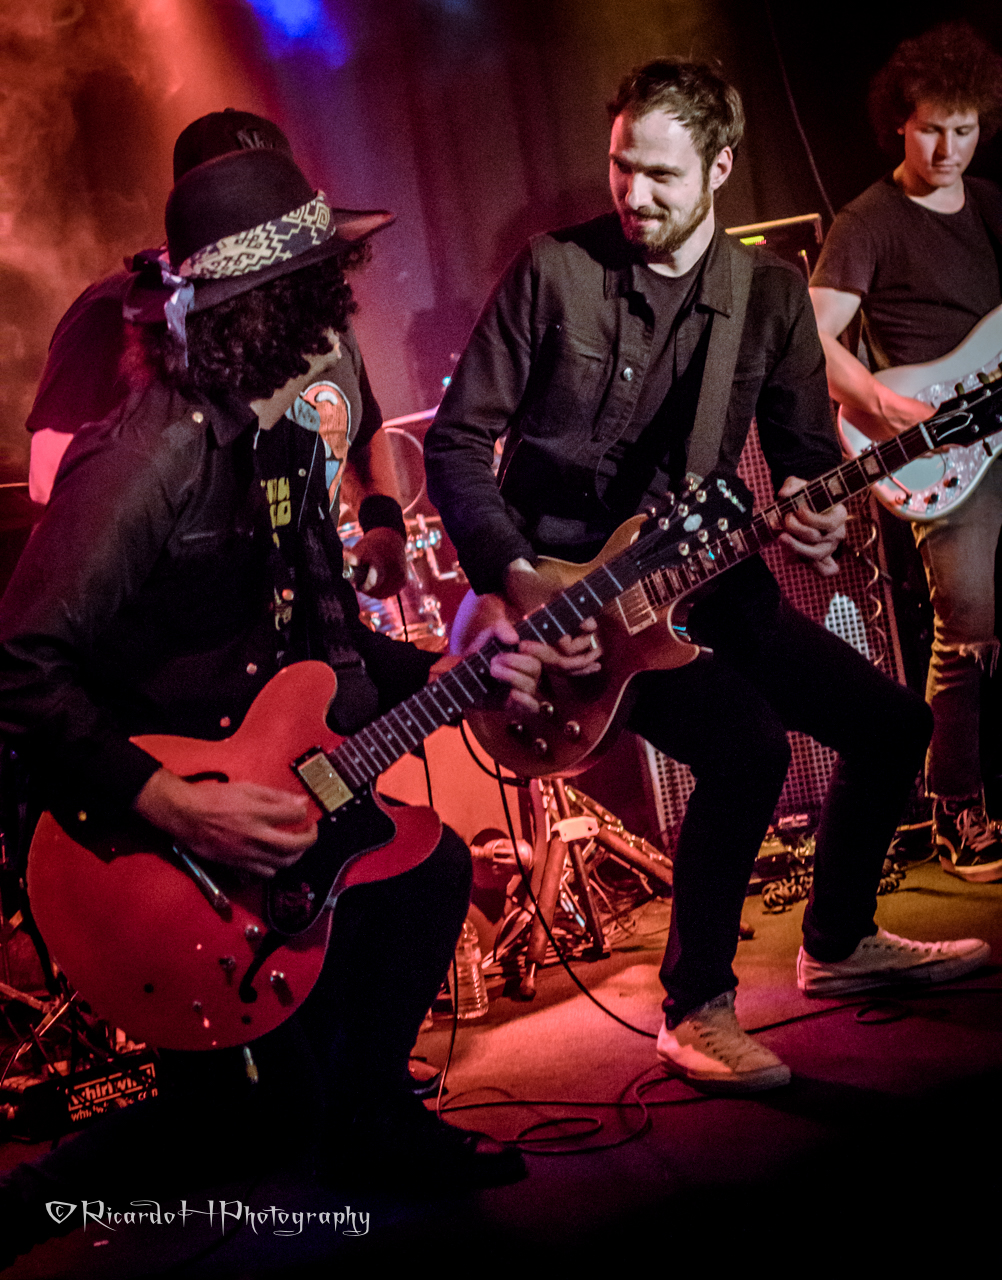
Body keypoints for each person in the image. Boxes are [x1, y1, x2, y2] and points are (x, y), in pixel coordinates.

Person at [0, 145, 564, 1267]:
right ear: (276, 311)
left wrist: (450, 673)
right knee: (236, 1120)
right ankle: (27, 1206)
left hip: (251, 780)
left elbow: (319, 649)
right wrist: (170, 801)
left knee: (422, 871)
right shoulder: (149, 458)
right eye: (326, 289)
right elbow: (17, 664)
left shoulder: (279, 444)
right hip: (140, 826)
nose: (344, 314)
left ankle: (369, 1119)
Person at [424, 58, 990, 1095]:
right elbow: (456, 444)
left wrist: (819, 509)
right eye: (620, 166)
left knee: (893, 725)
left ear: (721, 167)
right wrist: (516, 577)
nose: (632, 193)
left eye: (661, 175)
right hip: (568, 605)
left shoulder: (765, 296)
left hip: (705, 577)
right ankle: (695, 1011)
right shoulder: (553, 271)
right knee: (748, 747)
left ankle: (839, 941)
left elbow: (805, 457)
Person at [25, 108, 404, 598]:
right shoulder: (111, 313)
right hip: (190, 629)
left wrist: (385, 526)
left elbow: (360, 427)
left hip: (318, 619)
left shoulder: (314, 303)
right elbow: (48, 478)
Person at [810, 23, 1002, 884]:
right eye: (932, 129)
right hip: (938, 450)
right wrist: (885, 405)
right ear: (899, 121)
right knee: (968, 623)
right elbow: (812, 338)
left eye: (965, 129)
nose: (949, 148)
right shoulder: (869, 221)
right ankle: (954, 802)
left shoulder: (990, 205)